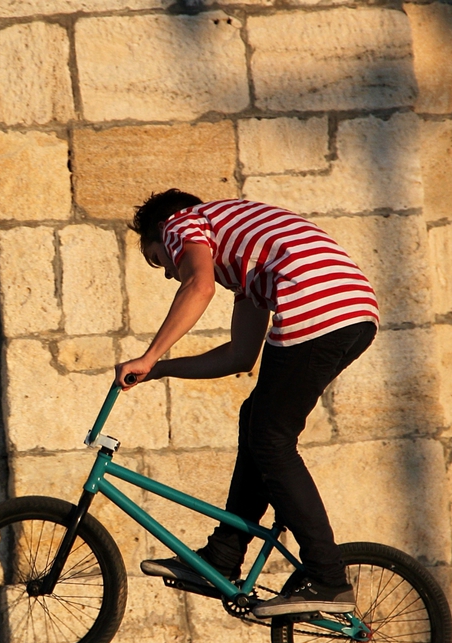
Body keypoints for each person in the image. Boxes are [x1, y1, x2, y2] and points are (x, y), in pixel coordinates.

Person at [117, 190, 378, 617]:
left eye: (156, 258)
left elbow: (196, 285)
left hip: (317, 307)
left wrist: (149, 354)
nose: (166, 271)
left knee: (272, 440)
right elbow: (239, 356)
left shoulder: (182, 221)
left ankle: (327, 577)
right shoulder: (247, 266)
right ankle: (223, 554)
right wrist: (161, 369)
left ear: (164, 232)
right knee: (256, 417)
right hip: (352, 312)